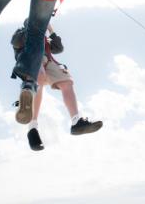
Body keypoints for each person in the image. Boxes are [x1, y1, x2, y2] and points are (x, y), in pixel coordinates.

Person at [11, 22, 103, 151]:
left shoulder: (45, 38)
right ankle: (32, 128)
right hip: (29, 59)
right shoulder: (20, 33)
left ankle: (76, 121)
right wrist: (32, 28)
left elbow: (58, 48)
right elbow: (17, 43)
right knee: (40, 77)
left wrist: (50, 30)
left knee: (67, 82)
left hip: (47, 60)